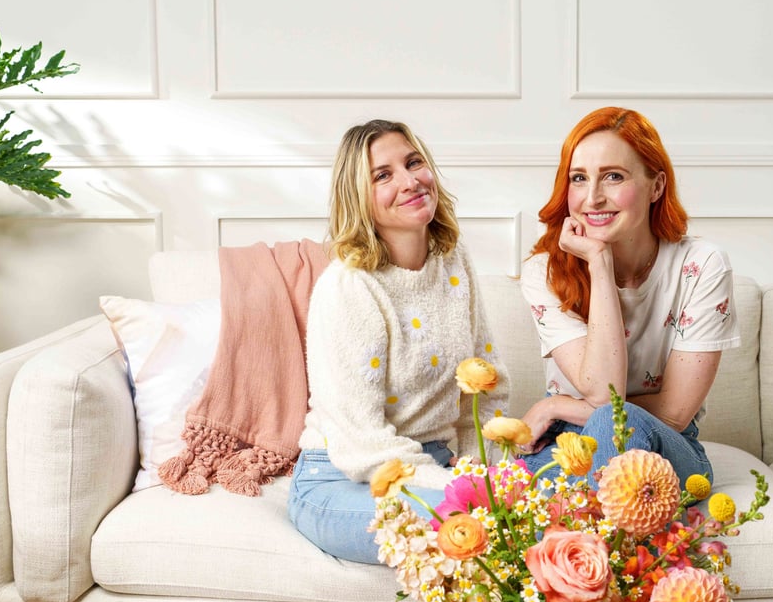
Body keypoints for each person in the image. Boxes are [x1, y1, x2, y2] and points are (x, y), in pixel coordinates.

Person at [289, 119, 509, 570]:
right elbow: (361, 437)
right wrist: (457, 495)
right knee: (464, 532)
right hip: (343, 476)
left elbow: (483, 388)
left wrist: (482, 474)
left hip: (433, 465)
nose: (409, 182)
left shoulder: (453, 260)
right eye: (382, 175)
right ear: (360, 199)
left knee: (520, 514)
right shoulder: (349, 286)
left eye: (413, 163)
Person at [518, 107, 739, 487]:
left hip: (666, 445)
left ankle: (587, 534)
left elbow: (672, 414)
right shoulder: (546, 272)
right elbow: (605, 390)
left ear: (656, 187)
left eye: (613, 177)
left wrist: (558, 406)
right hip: (565, 445)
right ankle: (598, 542)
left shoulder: (702, 265)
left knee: (608, 421)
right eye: (578, 179)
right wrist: (599, 265)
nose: (592, 198)